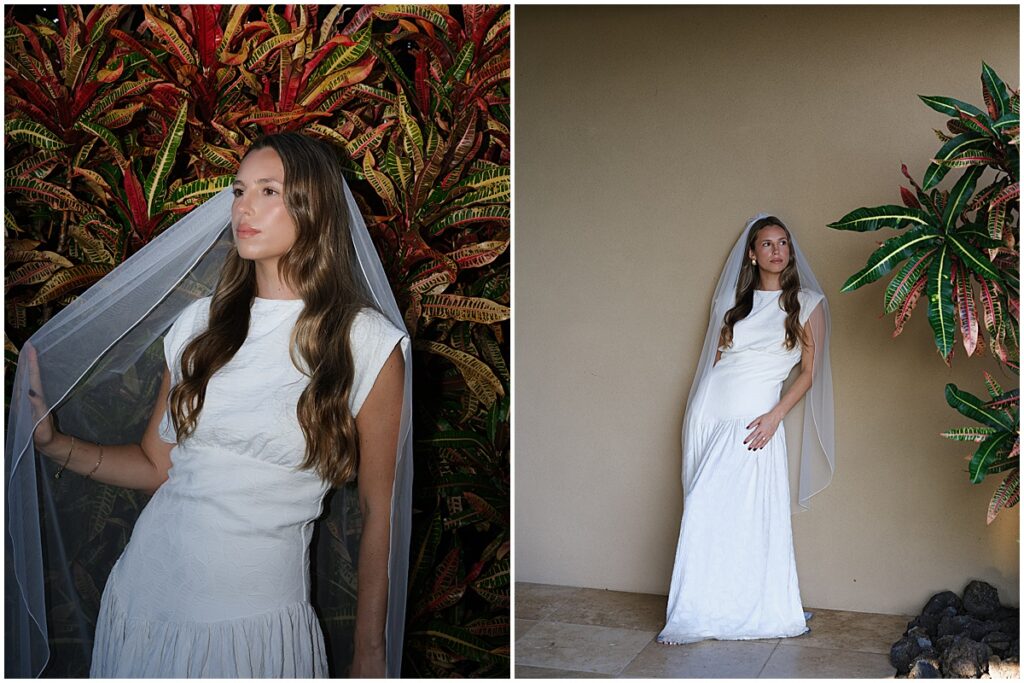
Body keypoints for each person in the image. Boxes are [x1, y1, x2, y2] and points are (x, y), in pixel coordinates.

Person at [9, 132, 412, 677]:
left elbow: (378, 513)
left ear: (313, 205)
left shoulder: (368, 344)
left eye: (268, 191)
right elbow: (158, 465)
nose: (244, 206)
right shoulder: (200, 325)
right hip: (142, 604)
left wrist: (371, 654)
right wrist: (54, 445)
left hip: (256, 631)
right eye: (239, 189)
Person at [658, 215, 834, 645]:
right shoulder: (733, 306)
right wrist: (698, 414)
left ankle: (743, 607)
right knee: (706, 509)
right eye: (767, 244)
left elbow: (808, 374)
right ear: (752, 255)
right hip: (710, 411)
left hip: (756, 418)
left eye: (783, 243)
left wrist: (775, 416)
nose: (777, 251)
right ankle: (704, 607)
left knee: (733, 513)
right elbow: (717, 364)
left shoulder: (807, 304)